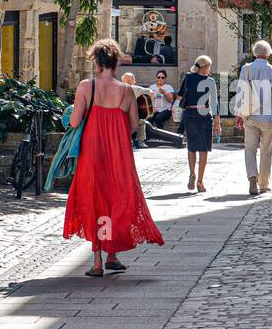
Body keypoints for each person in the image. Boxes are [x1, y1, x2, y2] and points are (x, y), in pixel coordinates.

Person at [63, 39, 165, 276]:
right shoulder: (127, 91)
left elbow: (75, 121)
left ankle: (98, 260)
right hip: (119, 153)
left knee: (94, 198)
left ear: (97, 63)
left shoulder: (86, 86)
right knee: (115, 199)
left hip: (92, 150)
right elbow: (132, 125)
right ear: (115, 64)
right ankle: (112, 255)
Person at [235, 39, 272, 196]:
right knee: (266, 150)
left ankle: (252, 177)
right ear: (268, 54)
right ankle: (263, 183)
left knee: (249, 148)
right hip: (268, 116)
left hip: (250, 115)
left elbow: (241, 91)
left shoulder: (246, 69)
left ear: (254, 53)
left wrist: (238, 113)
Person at [176, 55, 220, 192]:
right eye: (209, 66)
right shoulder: (210, 81)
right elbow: (215, 103)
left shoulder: (188, 77)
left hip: (189, 114)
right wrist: (217, 123)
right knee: (204, 149)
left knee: (191, 147)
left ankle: (192, 173)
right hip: (204, 116)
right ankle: (200, 181)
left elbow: (180, 96)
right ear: (205, 67)